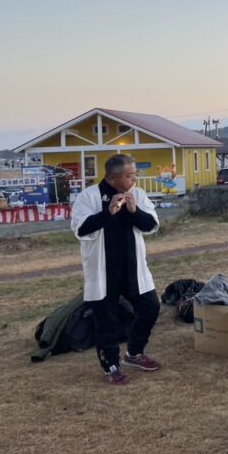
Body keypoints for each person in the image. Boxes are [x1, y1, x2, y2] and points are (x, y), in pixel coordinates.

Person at [70, 154, 161, 385]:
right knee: (106, 320)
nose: (135, 179)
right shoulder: (89, 196)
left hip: (133, 269)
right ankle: (111, 365)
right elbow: (80, 229)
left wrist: (134, 211)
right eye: (130, 175)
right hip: (103, 271)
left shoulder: (138, 194)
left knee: (150, 306)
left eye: (135, 174)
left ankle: (134, 352)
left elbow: (151, 224)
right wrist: (107, 213)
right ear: (113, 178)